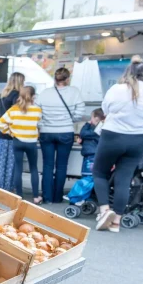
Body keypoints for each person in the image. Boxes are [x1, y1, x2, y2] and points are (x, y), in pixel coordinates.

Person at [93, 56, 143, 232]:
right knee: (124, 178)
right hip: (138, 139)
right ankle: (116, 222)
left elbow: (106, 109)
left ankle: (104, 210)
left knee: (99, 172)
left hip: (113, 136)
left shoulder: (117, 89)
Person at [36, 67, 85, 203]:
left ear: (55, 79)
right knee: (62, 166)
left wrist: (43, 123)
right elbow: (80, 112)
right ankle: (57, 197)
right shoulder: (74, 92)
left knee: (47, 166)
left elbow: (37, 113)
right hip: (65, 132)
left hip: (46, 132)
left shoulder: (45, 93)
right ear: (67, 79)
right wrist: (69, 120)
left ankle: (47, 198)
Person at [0, 86, 42, 203]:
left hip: (17, 142)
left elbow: (0, 124)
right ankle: (36, 197)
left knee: (18, 168)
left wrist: (11, 132)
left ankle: (20, 196)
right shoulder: (37, 110)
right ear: (33, 96)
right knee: (33, 169)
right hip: (31, 143)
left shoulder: (13, 110)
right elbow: (40, 124)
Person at [0, 72, 26, 192]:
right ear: (21, 81)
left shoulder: (2, 94)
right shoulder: (18, 96)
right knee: (10, 162)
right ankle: (8, 187)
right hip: (11, 133)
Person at [78, 108, 104, 176]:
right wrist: (82, 142)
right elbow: (90, 140)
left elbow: (83, 133)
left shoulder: (98, 129)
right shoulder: (95, 129)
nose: (90, 120)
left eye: (91, 117)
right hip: (93, 154)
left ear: (96, 118)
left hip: (91, 155)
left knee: (88, 175)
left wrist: (86, 124)